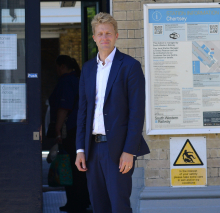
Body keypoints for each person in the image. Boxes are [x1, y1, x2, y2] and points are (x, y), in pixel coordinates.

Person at [76, 13, 149, 213]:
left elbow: (137, 113)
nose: (104, 37)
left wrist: (129, 151)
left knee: (119, 207)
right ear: (94, 38)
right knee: (99, 206)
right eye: (100, 34)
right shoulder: (88, 69)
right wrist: (80, 150)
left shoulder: (130, 67)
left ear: (116, 35)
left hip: (118, 150)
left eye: (108, 33)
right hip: (92, 150)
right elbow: (83, 111)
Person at [48, 55, 91, 212]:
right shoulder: (78, 79)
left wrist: (58, 130)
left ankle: (76, 203)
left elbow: (64, 108)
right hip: (81, 128)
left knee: (72, 167)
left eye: (57, 67)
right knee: (79, 167)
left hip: (71, 130)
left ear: (61, 66)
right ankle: (81, 201)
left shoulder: (66, 81)